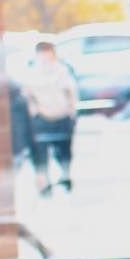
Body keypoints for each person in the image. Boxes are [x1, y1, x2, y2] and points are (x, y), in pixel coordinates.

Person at [23, 40, 80, 193]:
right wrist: (34, 113)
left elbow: (71, 93)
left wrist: (71, 112)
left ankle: (65, 176)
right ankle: (45, 181)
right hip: (41, 118)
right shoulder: (31, 73)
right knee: (41, 151)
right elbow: (28, 96)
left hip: (61, 116)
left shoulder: (63, 71)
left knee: (64, 149)